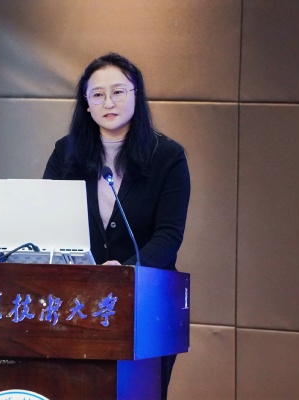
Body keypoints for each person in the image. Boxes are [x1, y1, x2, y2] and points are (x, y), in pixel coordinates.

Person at [43, 52, 190, 399]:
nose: (108, 102)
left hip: (146, 305)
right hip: (77, 302)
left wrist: (126, 272)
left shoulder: (167, 156)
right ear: (86, 103)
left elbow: (169, 235)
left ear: (136, 95)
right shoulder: (66, 153)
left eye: (118, 92)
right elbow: (46, 219)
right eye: (97, 94)